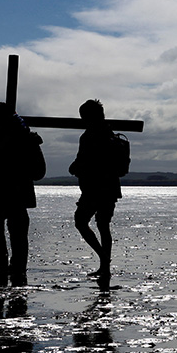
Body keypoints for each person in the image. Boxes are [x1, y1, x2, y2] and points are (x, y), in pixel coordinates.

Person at [0, 101, 46, 287]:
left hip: (12, 196)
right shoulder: (1, 137)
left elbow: (38, 172)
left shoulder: (23, 138)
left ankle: (11, 270)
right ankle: (5, 269)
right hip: (3, 196)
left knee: (13, 237)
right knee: (2, 235)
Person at [69, 99, 124, 281]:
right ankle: (104, 266)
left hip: (94, 189)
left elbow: (84, 160)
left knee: (81, 222)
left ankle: (104, 259)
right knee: (103, 226)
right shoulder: (110, 134)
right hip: (110, 188)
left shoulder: (90, 136)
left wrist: (75, 167)